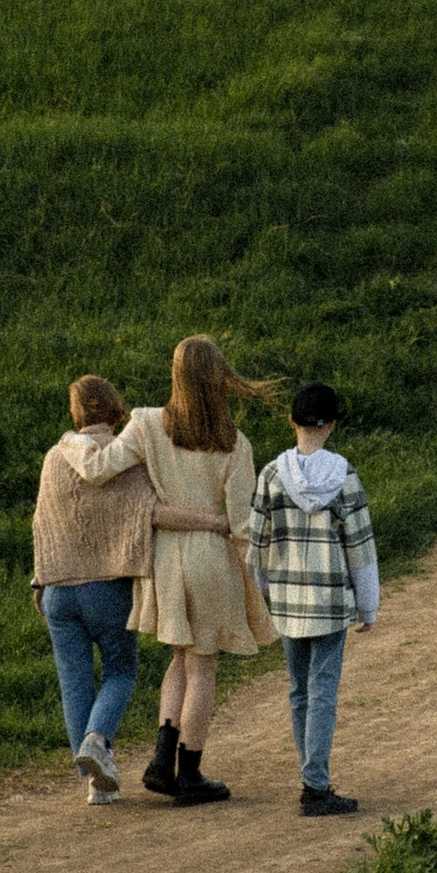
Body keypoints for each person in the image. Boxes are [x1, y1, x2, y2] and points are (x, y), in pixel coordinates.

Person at [74, 335, 277, 804]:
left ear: (176, 376)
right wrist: (261, 572)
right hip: (209, 553)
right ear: (219, 379)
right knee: (203, 664)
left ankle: (161, 761)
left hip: (164, 557)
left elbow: (100, 469)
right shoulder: (234, 443)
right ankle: (189, 773)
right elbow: (244, 522)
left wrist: (71, 444)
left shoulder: (146, 424)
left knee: (180, 657)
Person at [244, 381, 378, 815]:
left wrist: (261, 596)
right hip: (331, 602)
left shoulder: (270, 475)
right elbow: (360, 546)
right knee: (323, 691)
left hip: (287, 603)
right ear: (332, 424)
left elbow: (256, 546)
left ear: (291, 421)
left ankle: (311, 778)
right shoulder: (344, 475)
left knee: (298, 691)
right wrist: (368, 604)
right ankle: (315, 785)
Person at [28, 375, 158, 805]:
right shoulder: (123, 457)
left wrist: (39, 580)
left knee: (75, 682)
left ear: (76, 412)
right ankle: (98, 743)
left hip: (58, 590)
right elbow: (142, 515)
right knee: (121, 671)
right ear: (116, 408)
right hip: (108, 587)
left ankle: (95, 785)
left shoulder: (54, 457)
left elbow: (42, 521)